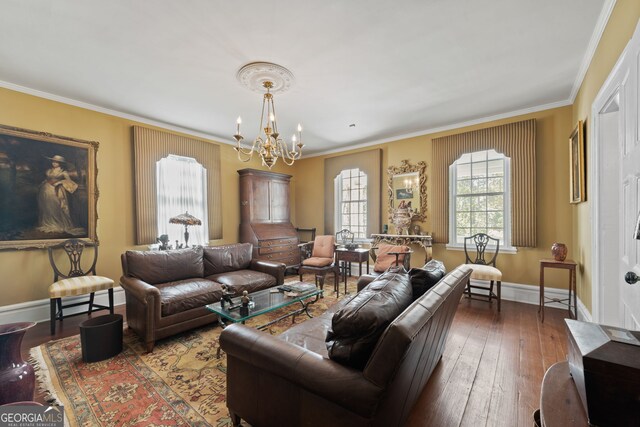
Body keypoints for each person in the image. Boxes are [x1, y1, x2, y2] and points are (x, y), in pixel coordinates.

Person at [37, 155, 84, 235]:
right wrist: (44, 183)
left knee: (56, 205)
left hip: (57, 190)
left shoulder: (63, 172)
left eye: (56, 162)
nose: (54, 163)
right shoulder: (49, 170)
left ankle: (58, 224)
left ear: (60, 163)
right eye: (53, 161)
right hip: (46, 190)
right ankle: (49, 222)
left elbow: (69, 182)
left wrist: (60, 182)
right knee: (47, 206)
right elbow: (47, 179)